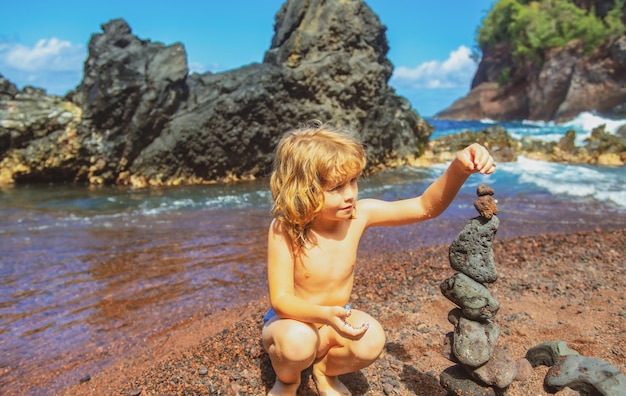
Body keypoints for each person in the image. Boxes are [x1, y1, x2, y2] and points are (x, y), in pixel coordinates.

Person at [262, 121, 496, 395]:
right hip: (292, 322)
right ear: (303, 189)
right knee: (297, 342)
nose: (350, 194)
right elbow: (281, 302)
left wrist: (458, 168)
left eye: (353, 181)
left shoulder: (359, 215)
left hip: (335, 322)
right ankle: (288, 379)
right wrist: (324, 315)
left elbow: (424, 207)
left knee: (372, 341)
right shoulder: (285, 229)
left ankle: (324, 370)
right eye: (336, 188)